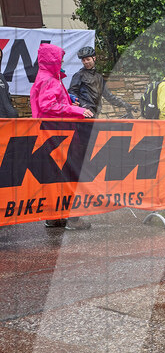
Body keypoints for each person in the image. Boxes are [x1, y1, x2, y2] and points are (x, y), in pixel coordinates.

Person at [30, 44, 94, 230]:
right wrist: (77, 110)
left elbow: (51, 103)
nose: (62, 62)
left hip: (53, 134)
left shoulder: (47, 78)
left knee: (56, 176)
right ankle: (73, 219)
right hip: (60, 134)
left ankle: (54, 216)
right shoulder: (49, 80)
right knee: (70, 175)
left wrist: (68, 100)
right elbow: (48, 107)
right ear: (52, 60)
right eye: (59, 59)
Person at [68, 46, 134, 117]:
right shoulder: (79, 75)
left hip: (95, 113)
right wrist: (83, 105)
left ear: (94, 58)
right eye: (83, 60)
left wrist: (124, 104)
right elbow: (72, 92)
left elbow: (108, 96)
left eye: (88, 59)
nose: (86, 62)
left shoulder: (99, 77)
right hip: (84, 113)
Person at [0, 45, 16, 117]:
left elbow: (6, 99)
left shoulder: (1, 77)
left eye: (0, 58)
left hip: (7, 121)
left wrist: (12, 113)